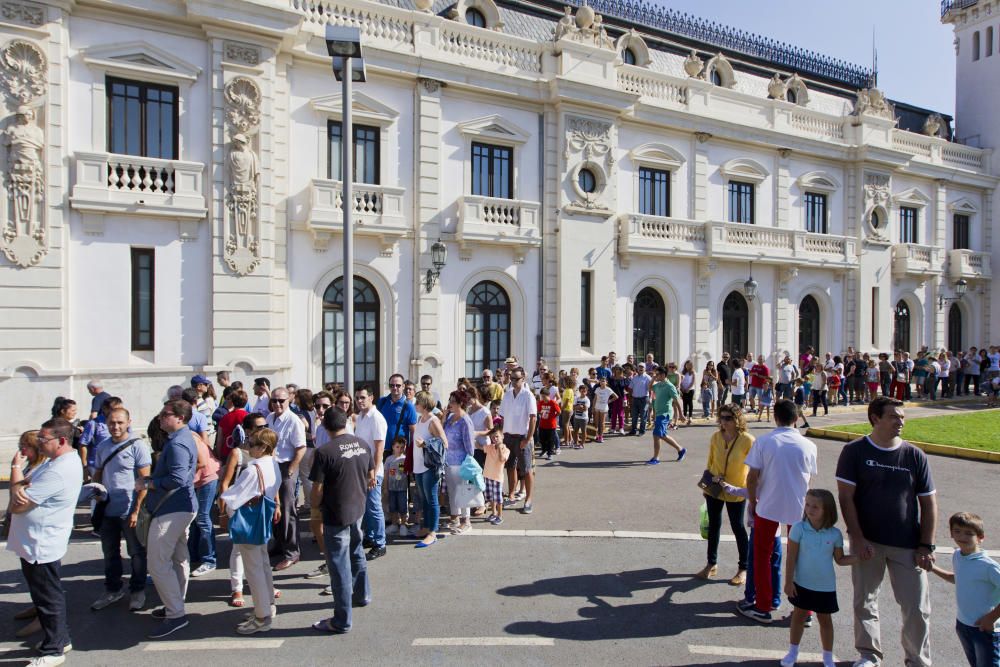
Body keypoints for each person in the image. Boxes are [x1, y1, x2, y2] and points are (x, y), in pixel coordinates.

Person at [836, 396, 936, 667]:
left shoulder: (915, 455)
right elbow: (846, 498)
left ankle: (918, 660)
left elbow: (928, 502)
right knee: (865, 602)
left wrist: (926, 545)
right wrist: (857, 538)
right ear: (875, 418)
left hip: (908, 544)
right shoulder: (855, 452)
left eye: (902, 416)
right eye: (894, 416)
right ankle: (869, 655)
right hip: (868, 542)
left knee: (916, 608)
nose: (900, 421)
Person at [7, 418, 84, 665]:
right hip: (33, 541)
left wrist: (15, 470)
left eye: (43, 439)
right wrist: (21, 485)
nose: (39, 443)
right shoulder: (53, 462)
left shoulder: (59, 470)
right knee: (43, 595)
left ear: (61, 440)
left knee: (49, 598)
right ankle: (60, 638)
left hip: (42, 542)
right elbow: (24, 490)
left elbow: (17, 506)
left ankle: (54, 650)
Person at [739, 399, 818, 624]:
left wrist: (753, 503)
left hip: (768, 506)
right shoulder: (808, 445)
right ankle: (804, 609)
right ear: (796, 419)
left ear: (775, 417)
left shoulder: (765, 442)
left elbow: (752, 477)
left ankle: (763, 606)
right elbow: (808, 478)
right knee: (802, 558)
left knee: (762, 557)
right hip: (798, 506)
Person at [310, 407, 374, 634]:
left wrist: (315, 506)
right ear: (346, 422)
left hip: (336, 512)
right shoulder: (363, 444)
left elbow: (316, 489)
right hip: (358, 507)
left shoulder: (324, 451)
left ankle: (341, 620)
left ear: (325, 427)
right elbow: (371, 476)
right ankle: (363, 594)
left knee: (338, 566)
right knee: (356, 552)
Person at [138, 399, 198, 639]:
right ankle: (175, 604)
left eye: (166, 414)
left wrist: (149, 483)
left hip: (171, 510)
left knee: (158, 562)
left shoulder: (178, 444)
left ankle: (175, 614)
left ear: (180, 418)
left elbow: (177, 479)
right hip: (180, 507)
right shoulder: (182, 439)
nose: (161, 417)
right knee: (178, 557)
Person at [780, 489, 857, 667]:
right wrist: (788, 581)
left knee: (825, 621)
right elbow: (791, 556)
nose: (809, 509)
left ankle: (827, 657)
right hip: (801, 584)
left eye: (815, 506)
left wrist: (859, 558)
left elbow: (840, 560)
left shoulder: (835, 534)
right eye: (807, 504)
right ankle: (792, 652)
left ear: (827, 510)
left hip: (825, 587)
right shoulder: (798, 528)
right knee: (798, 617)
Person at [220, 428, 282, 635]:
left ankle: (262, 616)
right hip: (263, 517)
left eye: (253, 442)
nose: (248, 445)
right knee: (262, 563)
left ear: (263, 447)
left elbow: (234, 498)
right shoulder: (273, 464)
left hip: (250, 519)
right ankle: (268, 605)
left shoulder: (252, 469)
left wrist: (227, 510)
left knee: (253, 568)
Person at [91, 408, 151, 612]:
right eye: (111, 423)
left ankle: (137, 590)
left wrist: (136, 510)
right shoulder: (102, 447)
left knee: (136, 552)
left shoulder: (137, 445)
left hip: (129, 509)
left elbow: (144, 480)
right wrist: (97, 494)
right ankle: (113, 589)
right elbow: (98, 474)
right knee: (110, 553)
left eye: (119, 422)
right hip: (108, 509)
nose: (115, 427)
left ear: (128, 422)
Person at [930, 512, 1000, 667]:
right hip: (963, 625)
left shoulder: (988, 566)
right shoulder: (957, 556)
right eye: (957, 531)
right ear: (951, 533)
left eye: (969, 533)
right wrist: (932, 568)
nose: (962, 536)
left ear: (981, 537)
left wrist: (991, 618)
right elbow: (958, 578)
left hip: (985, 629)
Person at [698, 404, 752, 585]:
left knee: (738, 527)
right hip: (715, 488)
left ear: (737, 419)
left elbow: (756, 468)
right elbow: (710, 461)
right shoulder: (715, 437)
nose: (724, 422)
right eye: (722, 418)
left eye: (728, 418)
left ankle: (743, 568)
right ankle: (711, 563)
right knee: (714, 526)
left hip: (736, 490)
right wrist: (707, 487)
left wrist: (751, 490)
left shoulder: (747, 440)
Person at [218, 412, 268, 607]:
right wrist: (223, 511)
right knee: (239, 549)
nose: (263, 430)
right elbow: (225, 483)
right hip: (239, 506)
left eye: (265, 426)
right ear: (248, 431)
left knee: (262, 546)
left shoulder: (266, 451)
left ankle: (266, 585)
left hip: (259, 506)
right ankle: (237, 588)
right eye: (259, 427)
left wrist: (277, 503)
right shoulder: (238, 453)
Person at [266, 387, 306, 571]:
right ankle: (279, 543)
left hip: (286, 466)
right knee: (274, 508)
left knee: (288, 509)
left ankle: (292, 552)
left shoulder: (293, 420)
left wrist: (291, 470)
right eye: (274, 400)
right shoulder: (269, 418)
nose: (277, 404)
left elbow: (301, 448)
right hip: (272, 467)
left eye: (281, 400)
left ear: (288, 400)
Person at [353, 386, 388, 561]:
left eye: (363, 397)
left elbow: (379, 449)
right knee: (366, 507)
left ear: (371, 398)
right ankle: (371, 537)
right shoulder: (360, 417)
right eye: (357, 398)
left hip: (373, 471)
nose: (359, 401)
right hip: (361, 469)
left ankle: (380, 544)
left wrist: (373, 472)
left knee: (374, 507)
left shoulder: (376, 418)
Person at [412, 391, 447, 546]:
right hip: (419, 465)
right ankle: (426, 527)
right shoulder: (420, 419)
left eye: (417, 402)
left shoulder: (433, 421)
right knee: (424, 499)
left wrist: (425, 444)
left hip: (430, 466)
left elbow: (444, 443)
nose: (414, 405)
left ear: (424, 404)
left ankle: (432, 532)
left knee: (431, 499)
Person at [500, 370, 537, 514]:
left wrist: (527, 439)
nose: (513, 381)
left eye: (516, 379)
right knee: (510, 467)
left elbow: (533, 418)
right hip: (508, 436)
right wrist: (502, 436)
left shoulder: (528, 396)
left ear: (523, 379)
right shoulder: (507, 394)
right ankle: (511, 494)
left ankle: (528, 499)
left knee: (526, 469)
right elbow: (502, 417)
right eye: (511, 378)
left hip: (522, 437)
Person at [187, 421, 221, 578]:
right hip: (197, 480)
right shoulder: (183, 436)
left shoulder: (189, 437)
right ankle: (192, 555)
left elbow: (201, 462)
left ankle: (209, 559)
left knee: (202, 517)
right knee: (193, 518)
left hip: (207, 478)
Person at [442, 389, 476, 534]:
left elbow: (470, 446)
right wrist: (443, 418)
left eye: (453, 401)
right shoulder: (450, 418)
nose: (450, 404)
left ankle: (466, 521)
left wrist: (468, 463)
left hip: (461, 462)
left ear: (461, 403)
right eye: (449, 401)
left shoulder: (465, 420)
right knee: (452, 491)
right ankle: (455, 518)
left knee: (463, 492)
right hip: (449, 461)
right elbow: (443, 434)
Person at [648, 367, 685, 465]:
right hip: (659, 413)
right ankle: (680, 449)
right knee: (662, 434)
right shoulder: (658, 385)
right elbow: (649, 387)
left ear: (663, 375)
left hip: (665, 414)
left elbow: (676, 400)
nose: (656, 376)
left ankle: (656, 458)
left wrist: (681, 414)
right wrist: (653, 378)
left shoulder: (670, 386)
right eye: (656, 374)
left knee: (656, 434)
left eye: (658, 374)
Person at [483, 426, 509, 526]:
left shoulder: (506, 450)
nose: (495, 439)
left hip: (497, 478)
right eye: (493, 437)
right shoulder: (490, 447)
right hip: (487, 475)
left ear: (502, 436)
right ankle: (493, 513)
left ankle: (500, 516)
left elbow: (502, 459)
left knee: (498, 498)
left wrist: (500, 448)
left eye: (497, 436)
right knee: (491, 497)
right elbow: (480, 447)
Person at [384, 437, 408, 536]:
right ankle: (394, 525)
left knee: (403, 507)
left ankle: (403, 525)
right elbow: (386, 474)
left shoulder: (405, 459)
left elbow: (408, 472)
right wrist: (385, 487)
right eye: (397, 447)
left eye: (402, 447)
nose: (399, 449)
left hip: (402, 488)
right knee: (392, 507)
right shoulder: (389, 459)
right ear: (393, 447)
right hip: (391, 488)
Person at [627, 363, 652, 436]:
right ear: (637, 369)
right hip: (635, 399)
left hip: (644, 399)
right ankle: (633, 430)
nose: (641, 368)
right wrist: (630, 398)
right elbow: (630, 388)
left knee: (643, 416)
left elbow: (651, 389)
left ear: (645, 369)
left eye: (642, 367)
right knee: (634, 416)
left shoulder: (648, 378)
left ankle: (642, 431)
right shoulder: (634, 377)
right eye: (639, 367)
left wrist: (650, 398)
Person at [537, 385, 561, 459]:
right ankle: (544, 450)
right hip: (542, 424)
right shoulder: (540, 403)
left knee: (550, 440)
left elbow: (559, 412)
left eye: (544, 396)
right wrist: (541, 413)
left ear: (548, 396)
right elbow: (538, 411)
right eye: (542, 396)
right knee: (542, 439)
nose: (543, 398)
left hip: (551, 425)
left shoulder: (553, 403)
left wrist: (553, 416)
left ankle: (549, 453)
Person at [591, 375, 617, 442]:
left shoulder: (608, 389)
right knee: (596, 422)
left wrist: (609, 401)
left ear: (606, 382)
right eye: (601, 381)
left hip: (604, 408)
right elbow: (595, 399)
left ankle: (601, 436)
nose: (602, 382)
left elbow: (616, 397)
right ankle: (596, 435)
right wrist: (593, 407)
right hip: (597, 407)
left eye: (603, 381)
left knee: (602, 423)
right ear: (599, 382)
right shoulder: (597, 389)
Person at [571, 384, 590, 449]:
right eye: (582, 391)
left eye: (585, 391)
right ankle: (575, 443)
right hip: (576, 417)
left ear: (586, 391)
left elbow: (585, 409)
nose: (583, 392)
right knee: (575, 431)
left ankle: (582, 444)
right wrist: (579, 407)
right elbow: (573, 407)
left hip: (584, 418)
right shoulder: (577, 398)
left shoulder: (587, 400)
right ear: (579, 391)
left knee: (583, 431)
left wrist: (578, 407)